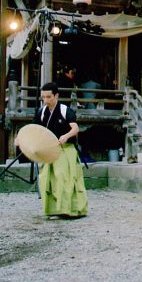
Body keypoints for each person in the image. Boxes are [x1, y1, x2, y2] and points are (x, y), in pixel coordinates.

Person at [33, 82, 88, 218]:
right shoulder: (41, 112)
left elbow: (75, 129)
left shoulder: (65, 110)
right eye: (43, 97)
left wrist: (66, 135)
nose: (46, 100)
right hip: (48, 150)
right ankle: (53, 210)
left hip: (65, 149)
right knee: (46, 179)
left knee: (64, 178)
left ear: (56, 95)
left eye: (49, 97)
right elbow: (35, 130)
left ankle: (71, 210)